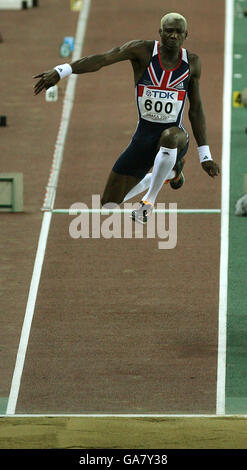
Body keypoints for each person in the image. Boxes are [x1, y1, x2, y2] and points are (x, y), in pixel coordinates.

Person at [33, 12, 220, 224]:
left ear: (187, 34)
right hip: (143, 137)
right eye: (169, 31)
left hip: (176, 138)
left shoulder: (192, 63)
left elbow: (195, 109)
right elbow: (102, 59)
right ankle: (171, 173)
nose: (174, 36)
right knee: (109, 204)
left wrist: (205, 155)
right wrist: (62, 70)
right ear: (160, 32)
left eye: (179, 32)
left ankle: (147, 203)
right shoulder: (142, 51)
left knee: (169, 136)